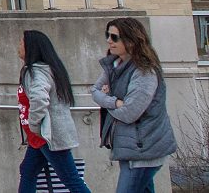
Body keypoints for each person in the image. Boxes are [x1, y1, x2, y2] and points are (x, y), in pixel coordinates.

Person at [92, 17, 176, 193]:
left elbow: (130, 113)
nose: (109, 41)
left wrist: (108, 99)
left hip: (143, 150)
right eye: (108, 35)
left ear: (130, 41)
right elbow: (95, 92)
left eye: (114, 37)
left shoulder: (144, 71)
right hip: (130, 148)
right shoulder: (114, 65)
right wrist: (114, 101)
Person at [17, 30, 89, 193]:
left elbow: (40, 98)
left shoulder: (35, 71)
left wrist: (34, 124)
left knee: (71, 180)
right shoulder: (48, 69)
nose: (18, 46)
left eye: (21, 42)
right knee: (27, 171)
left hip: (48, 136)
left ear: (31, 47)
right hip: (42, 137)